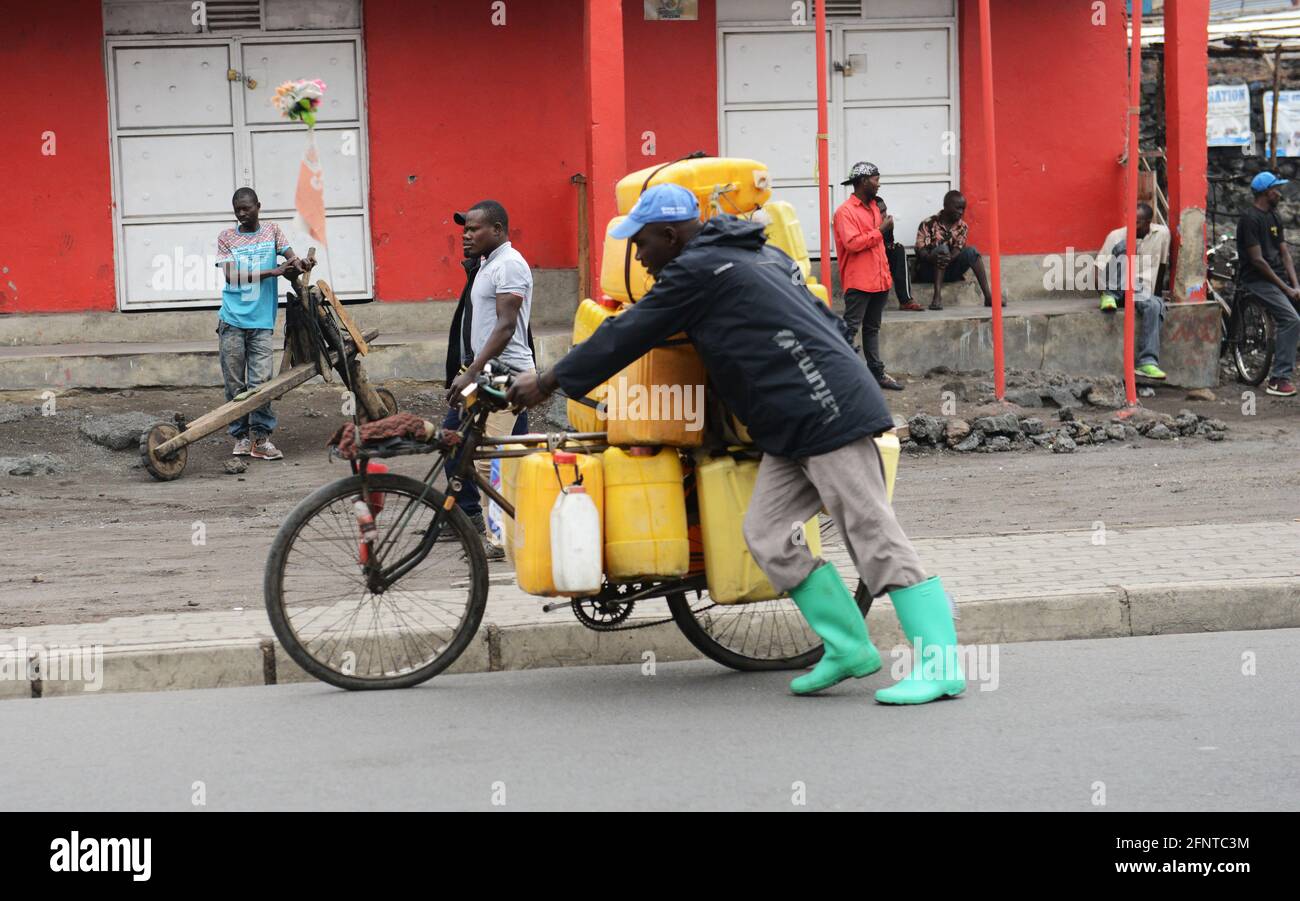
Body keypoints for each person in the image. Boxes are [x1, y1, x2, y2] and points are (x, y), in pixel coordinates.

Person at [507, 184, 966, 705]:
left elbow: (627, 333)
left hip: (828, 411)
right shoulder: (750, 252)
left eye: (642, 244)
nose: (638, 255)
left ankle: (942, 665)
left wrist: (548, 381)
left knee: (873, 535)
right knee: (767, 533)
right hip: (786, 424)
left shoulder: (697, 270)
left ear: (670, 234)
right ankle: (847, 648)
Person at [446, 200, 537, 556]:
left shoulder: (511, 265)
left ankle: (497, 538)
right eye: (464, 230)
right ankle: (471, 516)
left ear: (498, 230)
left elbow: (505, 326)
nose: (466, 236)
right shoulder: (487, 264)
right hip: (482, 373)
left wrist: (469, 372)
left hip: (506, 376)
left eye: (474, 229)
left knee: (491, 460)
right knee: (454, 441)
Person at [214, 187, 300, 460]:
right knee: (235, 383)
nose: (241, 214)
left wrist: (301, 264)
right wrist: (272, 272)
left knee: (261, 382)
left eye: (246, 208)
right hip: (232, 320)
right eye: (237, 209)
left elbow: (292, 260)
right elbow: (231, 276)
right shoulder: (226, 237)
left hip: (262, 321)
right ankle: (239, 436)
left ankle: (261, 439)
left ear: (258, 206)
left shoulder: (273, 231)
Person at [832, 161, 905, 390]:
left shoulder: (874, 207)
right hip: (859, 281)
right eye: (876, 178)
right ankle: (840, 375)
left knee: (872, 328)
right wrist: (881, 230)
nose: (878, 183)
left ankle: (877, 374)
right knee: (850, 329)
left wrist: (885, 232)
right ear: (863, 181)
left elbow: (879, 244)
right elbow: (853, 244)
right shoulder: (845, 212)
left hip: (879, 279)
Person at [1237, 171, 1300, 397]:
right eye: (1276, 190)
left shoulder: (1274, 216)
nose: (1279, 194)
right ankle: (1278, 378)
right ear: (1265, 192)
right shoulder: (1250, 219)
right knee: (1291, 319)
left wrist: (1295, 286)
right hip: (1257, 280)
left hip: (1279, 278)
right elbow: (1258, 261)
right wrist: (1286, 289)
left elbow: (1284, 253)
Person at [1095, 202, 1171, 380]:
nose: (1132, 225)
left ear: (1148, 223)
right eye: (1130, 221)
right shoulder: (1116, 235)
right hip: (1116, 288)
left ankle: (1147, 362)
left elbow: (1162, 266)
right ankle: (1110, 295)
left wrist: (1158, 294)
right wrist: (1103, 292)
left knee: (1155, 305)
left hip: (1140, 291)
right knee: (1123, 246)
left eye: (1137, 222)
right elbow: (1098, 268)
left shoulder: (1162, 234)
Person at [915, 190, 1001, 310]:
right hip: (928, 271)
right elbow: (920, 250)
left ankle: (988, 296)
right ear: (946, 206)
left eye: (963, 209)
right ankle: (937, 297)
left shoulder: (963, 226)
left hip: (950, 270)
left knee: (972, 252)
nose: (961, 212)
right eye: (957, 208)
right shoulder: (928, 223)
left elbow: (957, 250)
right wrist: (932, 257)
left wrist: (946, 258)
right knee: (942, 249)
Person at [875, 195, 923, 311]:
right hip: (867, 260)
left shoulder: (886, 223)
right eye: (881, 212)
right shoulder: (863, 223)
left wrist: (888, 239)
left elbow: (888, 243)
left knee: (899, 249)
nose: (885, 214)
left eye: (885, 210)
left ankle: (906, 300)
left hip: (882, 257)